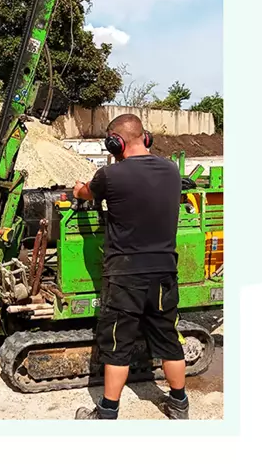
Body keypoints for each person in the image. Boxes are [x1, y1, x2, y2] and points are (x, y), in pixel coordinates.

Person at [72, 113, 189, 420]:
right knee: (168, 338)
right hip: (164, 271)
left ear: (115, 143)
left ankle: (107, 413)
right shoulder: (172, 171)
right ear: (145, 137)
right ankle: (179, 404)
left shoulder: (111, 176)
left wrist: (77, 189)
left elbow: (85, 193)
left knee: (118, 343)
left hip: (126, 275)